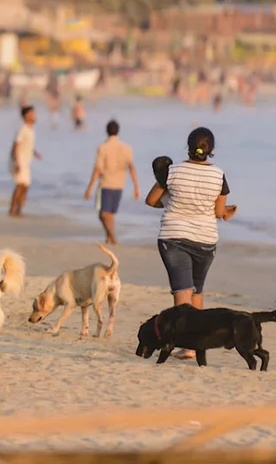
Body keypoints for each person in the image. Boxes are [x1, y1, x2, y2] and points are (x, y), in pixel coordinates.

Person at [145, 127, 237, 360]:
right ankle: (194, 345)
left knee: (181, 291)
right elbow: (217, 211)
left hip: (174, 236)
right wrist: (226, 212)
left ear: (188, 146)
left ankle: (183, 342)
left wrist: (170, 203)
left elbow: (151, 200)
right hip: (205, 241)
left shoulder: (172, 171)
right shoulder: (218, 175)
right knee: (195, 292)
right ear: (211, 150)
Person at [83, 120, 140, 246]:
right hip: (119, 185)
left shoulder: (103, 147)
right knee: (109, 214)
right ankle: (109, 237)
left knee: (103, 213)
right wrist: (136, 186)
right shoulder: (126, 148)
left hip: (106, 184)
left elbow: (97, 168)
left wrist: (89, 188)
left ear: (106, 131)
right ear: (118, 131)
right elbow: (131, 167)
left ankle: (113, 238)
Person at [8, 106, 41, 217]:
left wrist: (35, 153)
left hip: (26, 162)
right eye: (33, 113)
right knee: (20, 185)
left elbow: (27, 145)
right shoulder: (22, 130)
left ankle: (18, 210)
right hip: (19, 160)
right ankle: (13, 210)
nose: (35, 115)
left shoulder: (30, 129)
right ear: (26, 116)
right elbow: (15, 146)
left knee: (25, 186)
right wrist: (17, 163)